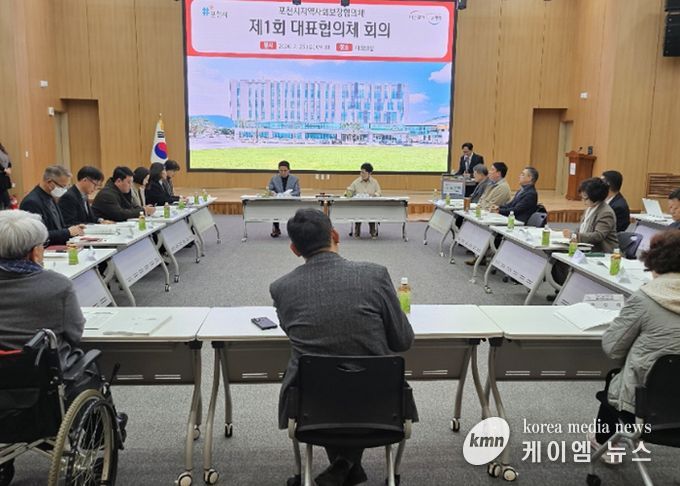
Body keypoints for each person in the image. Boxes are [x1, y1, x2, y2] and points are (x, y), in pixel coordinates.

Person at [270, 208, 415, 486]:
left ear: (294, 249)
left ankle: (345, 464)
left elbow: (295, 332)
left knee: (328, 382)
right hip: (379, 405)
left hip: (313, 407)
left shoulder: (281, 288)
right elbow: (402, 341)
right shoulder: (375, 275)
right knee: (355, 381)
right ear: (335, 235)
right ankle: (347, 465)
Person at [589, 230, 680, 459]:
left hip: (643, 407)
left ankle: (604, 441)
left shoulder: (646, 298)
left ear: (654, 262)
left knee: (615, 377)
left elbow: (613, 348)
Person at [19, 165, 85, 245]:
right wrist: (67, 232)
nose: (64, 190)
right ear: (49, 182)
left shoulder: (51, 197)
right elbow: (38, 235)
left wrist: (74, 229)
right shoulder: (31, 202)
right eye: (62, 186)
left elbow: (58, 227)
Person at [562, 177, 618, 253]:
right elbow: (581, 228)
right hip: (585, 248)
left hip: (602, 253)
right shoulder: (590, 208)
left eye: (585, 198)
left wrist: (575, 235)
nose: (583, 200)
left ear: (595, 196)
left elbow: (598, 236)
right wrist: (572, 235)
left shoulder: (606, 213)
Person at [346, 163, 382, 239]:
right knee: (358, 215)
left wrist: (375, 195)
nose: (361, 174)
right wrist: (348, 193)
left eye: (364, 173)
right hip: (358, 205)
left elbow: (379, 192)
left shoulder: (374, 182)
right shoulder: (356, 182)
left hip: (371, 205)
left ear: (370, 173)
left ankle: (373, 232)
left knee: (372, 215)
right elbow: (349, 192)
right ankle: (357, 233)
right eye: (361, 172)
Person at [268, 160, 300, 237]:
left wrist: (289, 195)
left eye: (285, 170)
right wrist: (273, 193)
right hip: (278, 201)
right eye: (281, 171)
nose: (283, 172)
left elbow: (297, 192)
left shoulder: (295, 179)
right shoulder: (274, 178)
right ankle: (276, 229)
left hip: (291, 201)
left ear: (289, 170)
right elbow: (270, 190)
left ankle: (293, 231)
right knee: (275, 209)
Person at [0, 142, 12, 209]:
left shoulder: (3, 150)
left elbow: (9, 162)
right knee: (5, 198)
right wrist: (5, 170)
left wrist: (9, 168)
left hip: (5, 175)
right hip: (1, 175)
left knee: (4, 195)